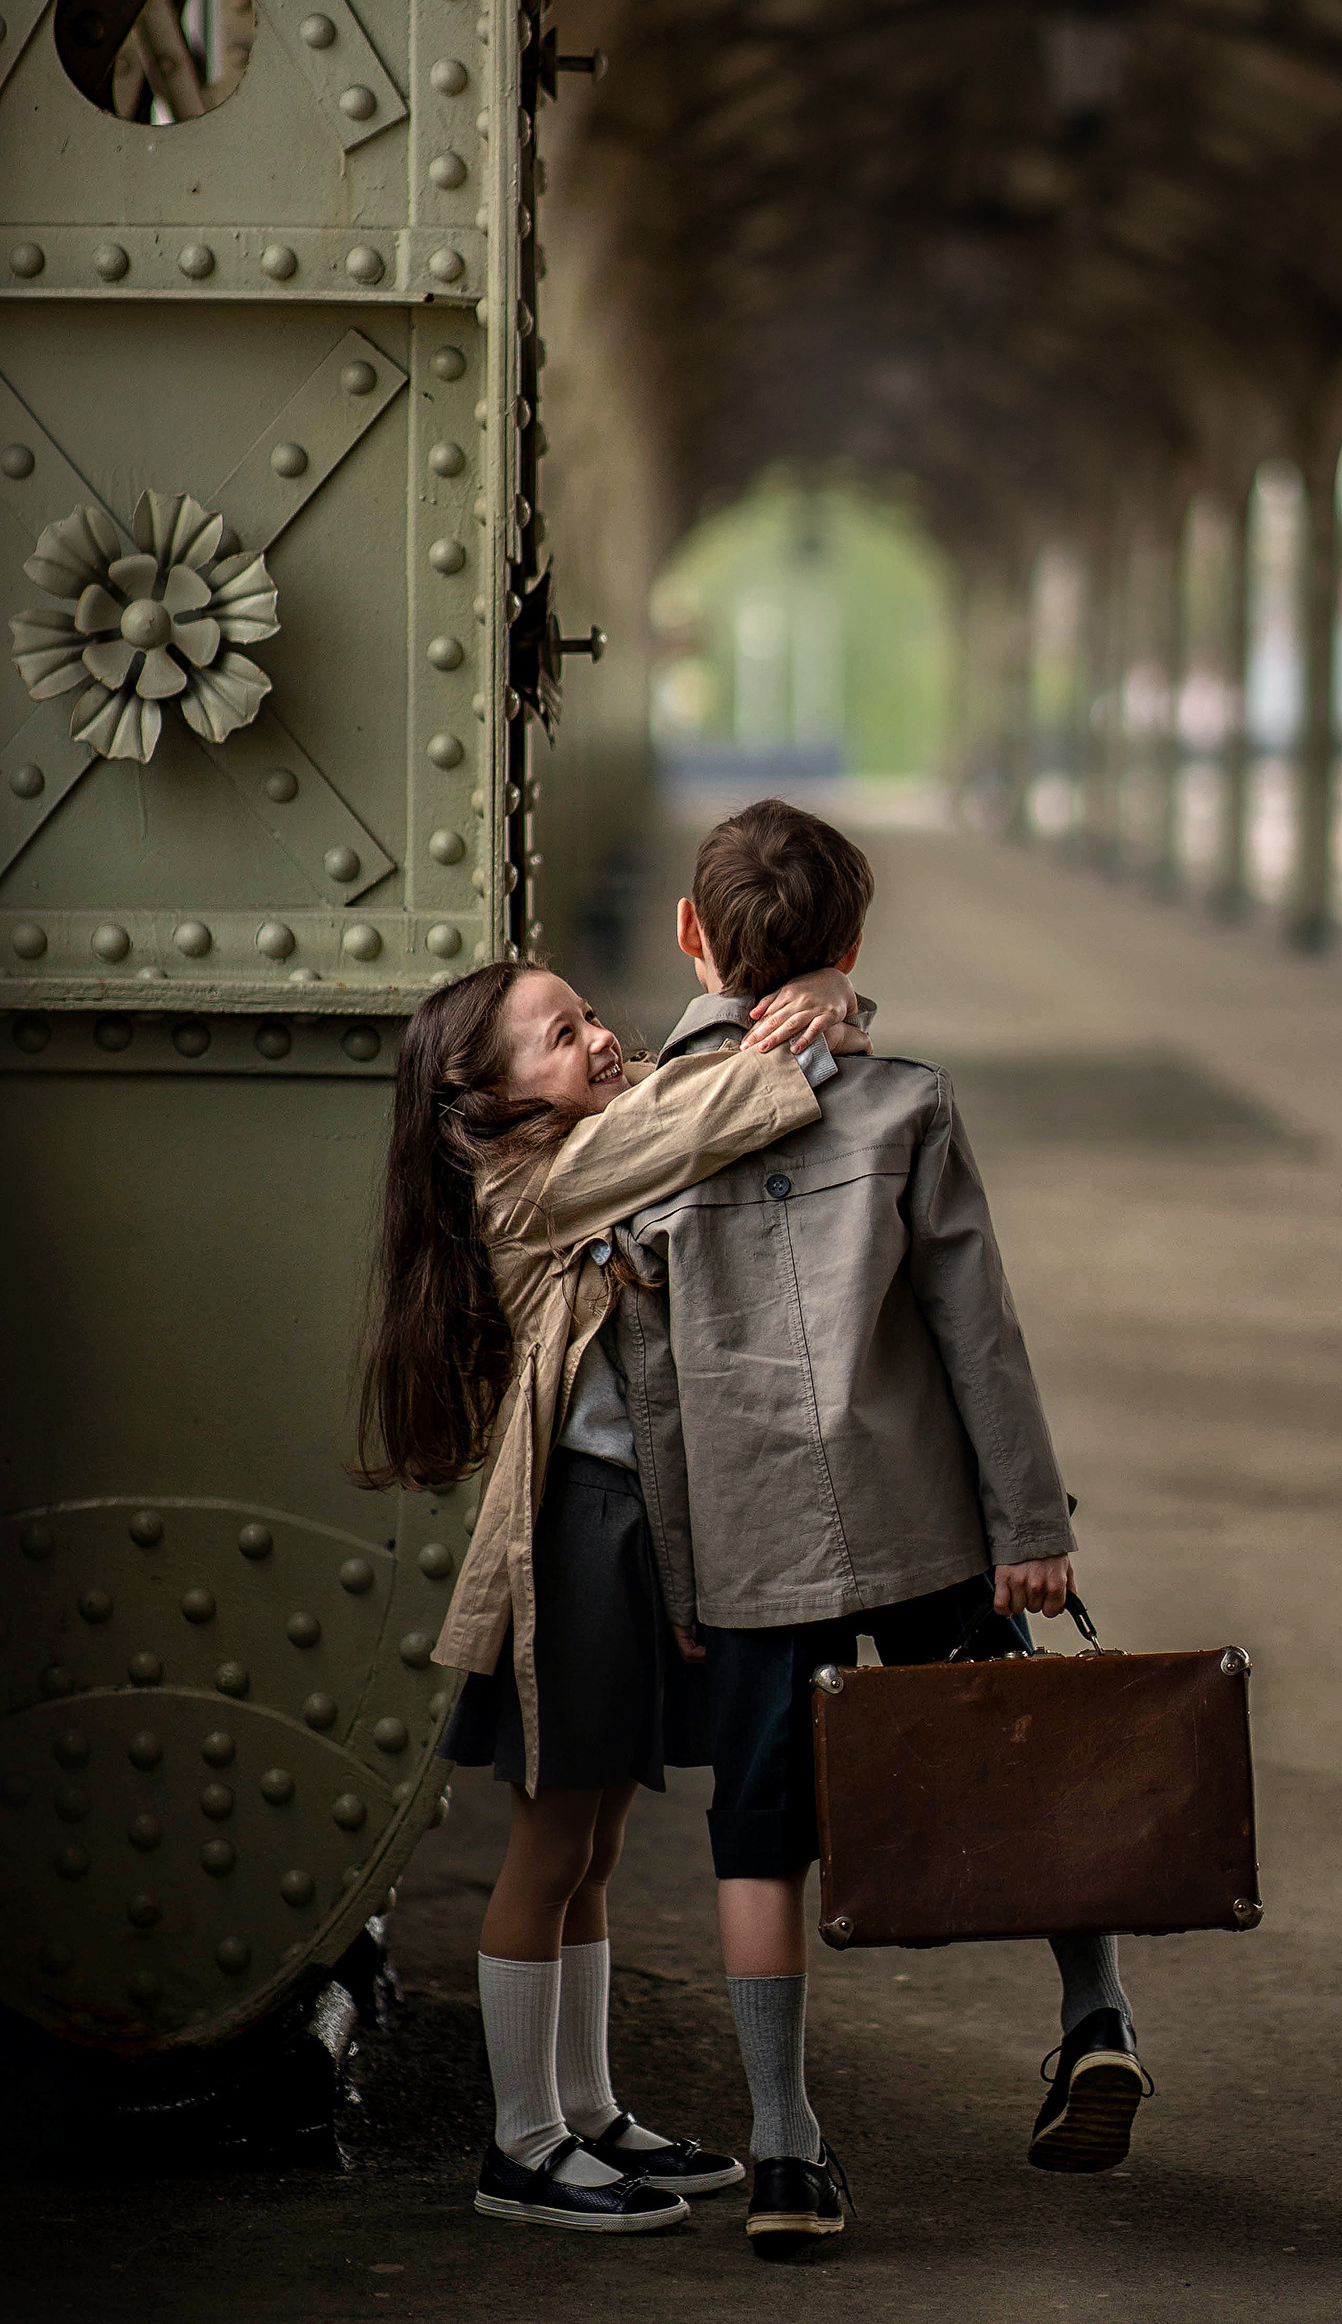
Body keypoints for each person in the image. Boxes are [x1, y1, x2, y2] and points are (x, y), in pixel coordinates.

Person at [611, 799, 1149, 2262]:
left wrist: (681, 1551)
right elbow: (980, 1333)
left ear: (687, 937)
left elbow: (651, 1381)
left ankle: (785, 2148)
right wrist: (1028, 1524)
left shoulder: (646, 1136)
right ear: (852, 947)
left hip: (749, 1532)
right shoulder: (908, 1102)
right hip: (923, 1514)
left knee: (758, 1838)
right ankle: (1093, 2014)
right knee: (1008, 1756)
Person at [355, 951, 868, 2235]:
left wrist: (833, 1008)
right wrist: (805, 1036)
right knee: (546, 1844)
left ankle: (585, 2112)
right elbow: (698, 1110)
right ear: (479, 1096)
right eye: (555, 1035)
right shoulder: (528, 1180)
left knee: (593, 1843)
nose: (593, 1039)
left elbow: (684, 1084)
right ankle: (520, 2146)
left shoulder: (588, 1133)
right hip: (574, 1533)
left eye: (587, 1014)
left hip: (629, 1527)